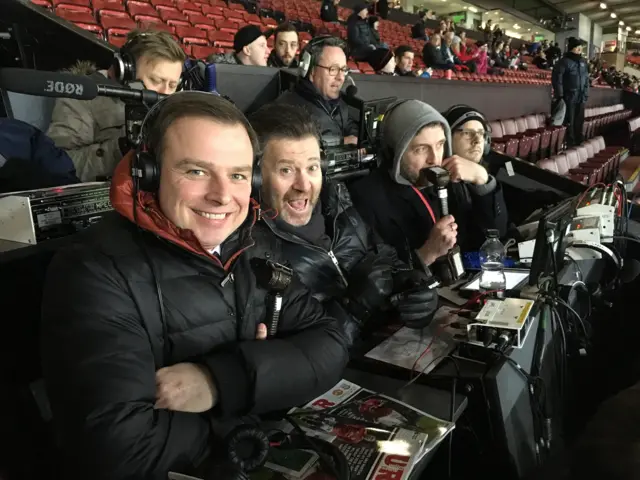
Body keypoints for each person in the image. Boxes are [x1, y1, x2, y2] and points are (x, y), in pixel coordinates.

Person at [40, 92, 349, 480]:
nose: (222, 195)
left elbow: (331, 342)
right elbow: (119, 449)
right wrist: (248, 417)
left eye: (237, 175)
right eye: (197, 171)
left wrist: (222, 382)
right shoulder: (93, 271)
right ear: (148, 173)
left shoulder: (254, 242)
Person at [249, 103, 438, 342]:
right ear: (255, 177)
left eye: (312, 167)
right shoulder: (254, 250)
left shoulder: (337, 200)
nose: (304, 185)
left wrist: (411, 286)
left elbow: (383, 256)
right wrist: (354, 308)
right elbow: (297, 354)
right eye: (286, 170)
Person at [348, 100, 508, 267]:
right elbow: (374, 280)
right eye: (421, 149)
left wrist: (483, 181)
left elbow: (491, 239)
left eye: (440, 145)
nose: (434, 159)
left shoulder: (450, 181)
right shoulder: (367, 198)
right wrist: (427, 254)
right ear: (396, 152)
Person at [46, 29, 185, 182]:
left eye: (172, 85)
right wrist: (123, 146)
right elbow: (59, 165)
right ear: (125, 71)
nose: (164, 93)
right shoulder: (81, 98)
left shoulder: (170, 108)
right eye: (156, 81)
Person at [276, 36, 359, 147]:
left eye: (343, 70)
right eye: (333, 69)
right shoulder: (288, 109)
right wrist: (342, 141)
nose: (341, 77)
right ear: (311, 71)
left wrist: (356, 138)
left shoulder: (339, 104)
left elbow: (351, 126)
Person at [552, 37, 589, 147]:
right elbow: (557, 79)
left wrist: (586, 93)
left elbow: (586, 79)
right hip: (569, 96)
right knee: (570, 121)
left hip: (581, 96)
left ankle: (579, 140)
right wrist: (560, 95)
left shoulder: (583, 62)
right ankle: (570, 142)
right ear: (572, 48)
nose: (580, 50)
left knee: (579, 120)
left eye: (580, 48)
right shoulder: (564, 62)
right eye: (577, 48)